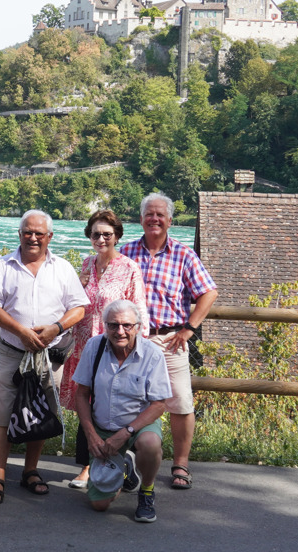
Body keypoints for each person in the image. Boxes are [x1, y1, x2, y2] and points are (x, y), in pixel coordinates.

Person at [0, 210, 89, 504]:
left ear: (49, 236)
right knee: (3, 412)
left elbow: (79, 308)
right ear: (19, 234)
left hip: (49, 356)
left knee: (39, 412)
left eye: (39, 233)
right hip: (13, 351)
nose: (33, 238)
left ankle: (30, 470)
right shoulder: (3, 265)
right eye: (28, 232)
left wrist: (56, 328)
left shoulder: (62, 268)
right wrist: (22, 332)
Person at [120, 193, 218, 491]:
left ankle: (181, 464)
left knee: (180, 402)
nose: (154, 219)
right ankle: (131, 461)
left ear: (170, 221)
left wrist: (190, 328)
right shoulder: (125, 253)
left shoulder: (184, 255)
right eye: (149, 214)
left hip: (170, 339)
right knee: (129, 401)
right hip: (132, 340)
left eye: (160, 215)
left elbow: (208, 292)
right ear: (141, 219)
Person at [62, 209, 148, 489]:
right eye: (96, 234)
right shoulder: (86, 265)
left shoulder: (129, 268)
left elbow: (139, 313)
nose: (101, 239)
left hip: (112, 349)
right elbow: (72, 305)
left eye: (107, 234)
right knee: (85, 404)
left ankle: (96, 467)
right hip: (84, 348)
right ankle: (98, 464)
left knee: (104, 405)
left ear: (117, 237)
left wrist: (135, 351)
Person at [73, 300, 171, 522]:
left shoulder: (152, 354)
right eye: (113, 325)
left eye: (127, 325)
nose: (120, 331)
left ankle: (146, 491)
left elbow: (159, 404)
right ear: (105, 326)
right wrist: (91, 435)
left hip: (138, 425)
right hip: (102, 426)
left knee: (150, 444)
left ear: (138, 327)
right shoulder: (94, 346)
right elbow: (81, 394)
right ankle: (125, 471)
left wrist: (126, 432)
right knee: (99, 506)